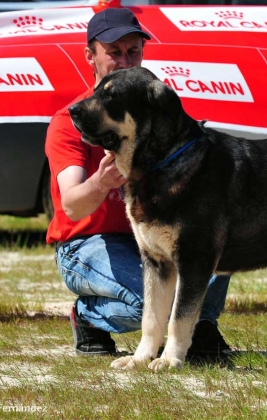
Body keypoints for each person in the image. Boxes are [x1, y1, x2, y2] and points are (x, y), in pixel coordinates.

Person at [45, 8, 232, 360]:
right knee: (143, 306)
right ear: (90, 56)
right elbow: (71, 205)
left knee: (213, 254)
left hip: (148, 237)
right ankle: (88, 316)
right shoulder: (68, 122)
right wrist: (102, 182)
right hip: (86, 244)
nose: (126, 61)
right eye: (114, 52)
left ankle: (200, 323)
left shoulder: (155, 112)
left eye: (133, 51)